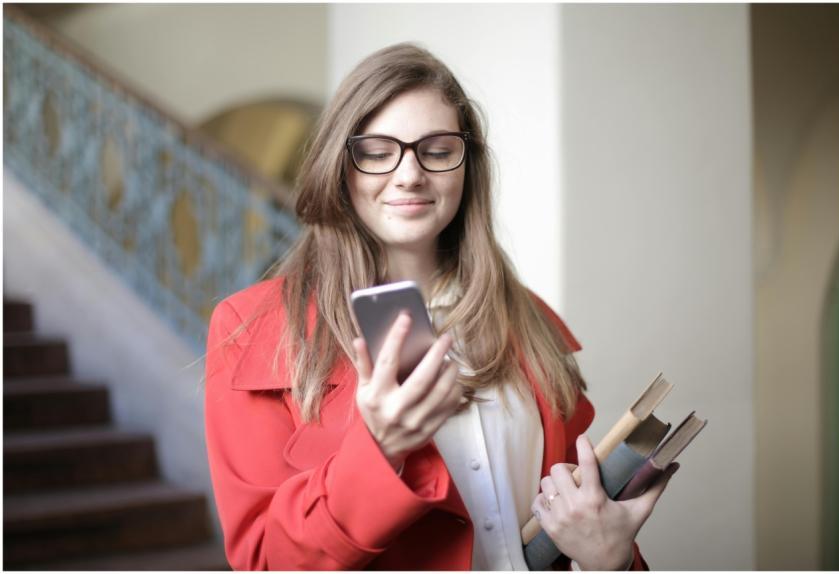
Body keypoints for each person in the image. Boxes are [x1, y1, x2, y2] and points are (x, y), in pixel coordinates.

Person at [204, 42, 677, 571]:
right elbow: (266, 560)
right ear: (340, 166)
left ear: (467, 166)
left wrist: (612, 559)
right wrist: (379, 450)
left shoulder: (530, 319)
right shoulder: (252, 329)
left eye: (436, 150)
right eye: (377, 152)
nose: (410, 175)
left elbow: (577, 514)